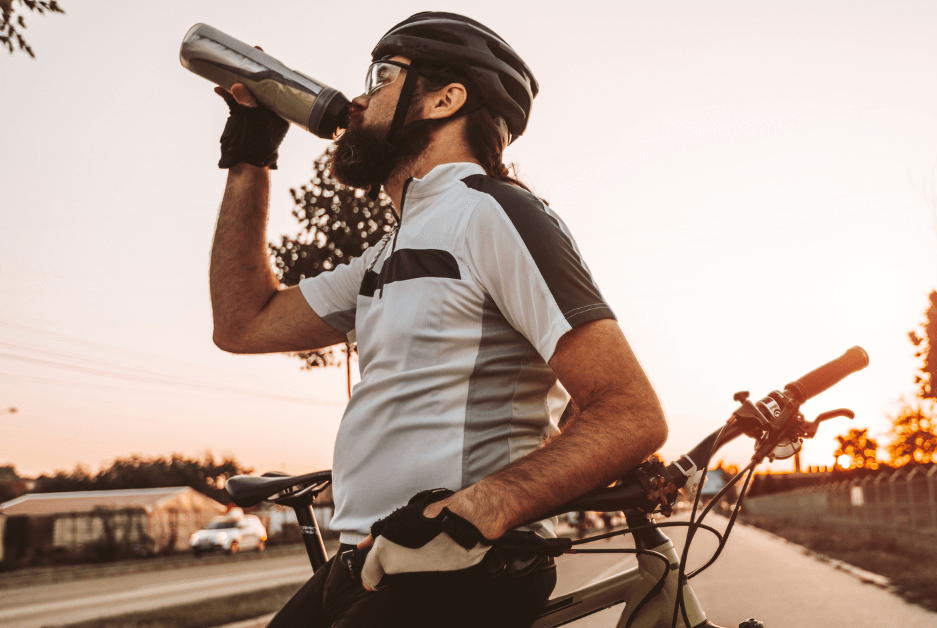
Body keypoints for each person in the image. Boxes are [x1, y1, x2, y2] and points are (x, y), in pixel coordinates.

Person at [207, 11, 668, 628]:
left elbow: (629, 411)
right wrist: (251, 153)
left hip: (468, 565)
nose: (361, 96)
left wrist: (480, 507)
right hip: (373, 559)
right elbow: (243, 322)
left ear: (446, 98)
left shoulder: (495, 213)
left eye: (382, 74)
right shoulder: (389, 250)